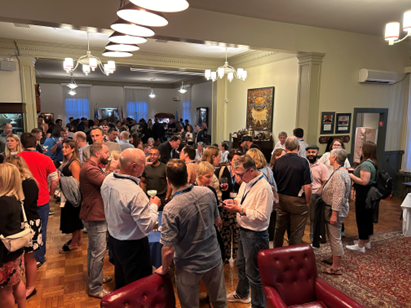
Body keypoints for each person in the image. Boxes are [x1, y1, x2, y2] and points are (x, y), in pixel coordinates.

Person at [155, 159, 228, 308]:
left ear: (168, 181)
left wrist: (164, 268)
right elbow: (217, 221)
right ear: (188, 176)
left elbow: (168, 249)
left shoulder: (171, 208)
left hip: (188, 266)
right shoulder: (208, 192)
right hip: (213, 258)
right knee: (220, 302)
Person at [101, 148, 161, 290]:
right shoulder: (135, 192)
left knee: (121, 280)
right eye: (143, 163)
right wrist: (154, 206)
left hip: (114, 239)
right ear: (134, 166)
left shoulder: (108, 179)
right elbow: (147, 226)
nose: (146, 164)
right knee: (138, 287)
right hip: (133, 246)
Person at [223, 155, 274, 308]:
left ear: (251, 170)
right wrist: (234, 202)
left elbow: (263, 217)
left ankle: (258, 305)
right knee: (241, 264)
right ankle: (243, 293)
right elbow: (240, 198)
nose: (237, 177)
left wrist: (240, 209)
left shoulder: (264, 188)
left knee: (254, 273)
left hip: (255, 234)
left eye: (239, 174)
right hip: (244, 230)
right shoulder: (247, 182)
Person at [18, 133, 59, 269]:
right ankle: (38, 258)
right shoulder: (45, 158)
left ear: (22, 145)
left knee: (22, 228)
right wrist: (51, 193)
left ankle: (24, 258)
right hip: (41, 198)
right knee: (41, 229)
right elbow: (55, 179)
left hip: (20, 199)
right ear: (36, 143)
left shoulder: (16, 159)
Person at [4, 156, 41, 299]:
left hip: (27, 224)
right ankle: (23, 287)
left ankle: (30, 286)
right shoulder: (30, 181)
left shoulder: (25, 183)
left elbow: (24, 205)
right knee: (27, 257)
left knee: (28, 257)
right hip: (31, 222)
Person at [80, 142, 112, 299]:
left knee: (93, 250)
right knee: (98, 251)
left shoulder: (91, 165)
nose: (108, 155)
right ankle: (95, 287)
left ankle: (95, 279)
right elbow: (108, 183)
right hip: (95, 214)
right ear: (98, 153)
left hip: (94, 212)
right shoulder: (91, 168)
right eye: (106, 152)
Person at [273, 137, 312, 247]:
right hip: (297, 200)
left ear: (285, 148)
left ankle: (276, 252)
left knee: (279, 228)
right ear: (298, 147)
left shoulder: (278, 161)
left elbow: (273, 182)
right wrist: (308, 202)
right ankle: (293, 256)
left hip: (281, 199)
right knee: (296, 231)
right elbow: (307, 186)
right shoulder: (303, 162)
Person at [0, 163, 26, 308]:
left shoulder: (3, 201)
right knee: (16, 283)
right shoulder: (15, 197)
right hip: (15, 250)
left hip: (5, 253)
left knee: (5, 291)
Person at [321, 149, 351, 275]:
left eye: (330, 156)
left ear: (334, 158)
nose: (328, 158)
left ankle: (336, 267)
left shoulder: (339, 174)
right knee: (334, 236)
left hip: (336, 210)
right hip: (337, 208)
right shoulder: (341, 171)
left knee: (335, 238)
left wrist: (334, 214)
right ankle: (334, 258)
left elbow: (338, 196)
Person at [346, 141, 378, 253]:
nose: (360, 150)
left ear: (365, 150)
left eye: (361, 148)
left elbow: (364, 181)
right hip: (369, 193)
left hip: (364, 193)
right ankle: (366, 241)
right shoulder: (372, 162)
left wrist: (350, 175)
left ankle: (360, 245)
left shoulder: (365, 165)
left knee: (362, 218)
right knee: (367, 218)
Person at [215, 149, 242, 262]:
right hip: (224, 207)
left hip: (237, 207)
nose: (237, 162)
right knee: (224, 233)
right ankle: (225, 257)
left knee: (237, 234)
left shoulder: (242, 172)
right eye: (235, 160)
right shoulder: (221, 171)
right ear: (230, 160)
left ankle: (237, 257)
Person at [58, 140, 83, 254]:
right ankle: (78, 239)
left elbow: (77, 183)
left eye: (66, 147)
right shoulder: (66, 161)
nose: (64, 149)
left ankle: (73, 244)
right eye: (63, 147)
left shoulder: (74, 163)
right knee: (74, 218)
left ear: (73, 149)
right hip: (67, 195)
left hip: (72, 197)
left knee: (74, 220)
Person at [305, 145, 329, 243]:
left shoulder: (322, 167)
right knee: (302, 218)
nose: (311, 154)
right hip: (303, 195)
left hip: (315, 195)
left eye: (313, 152)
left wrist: (317, 194)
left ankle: (313, 240)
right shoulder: (304, 164)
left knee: (313, 219)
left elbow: (325, 183)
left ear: (317, 153)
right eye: (309, 152)